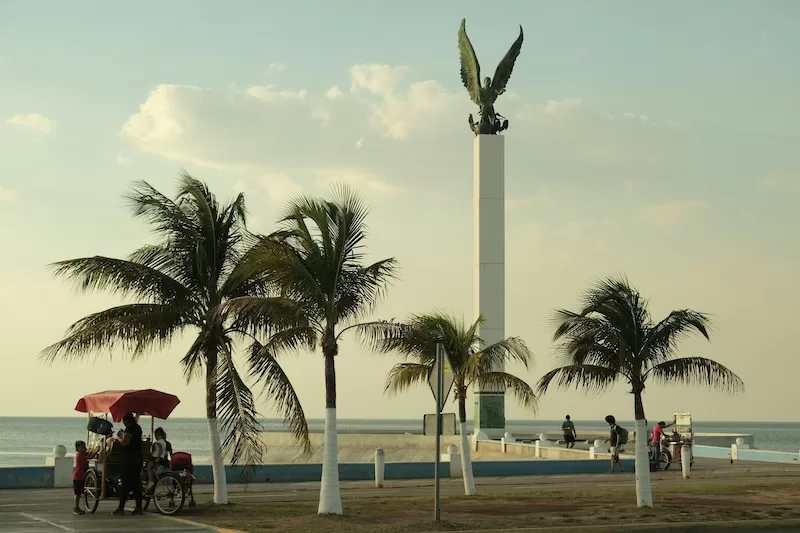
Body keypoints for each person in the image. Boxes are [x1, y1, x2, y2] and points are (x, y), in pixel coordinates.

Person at [114, 413, 143, 516]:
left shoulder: (130, 429)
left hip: (128, 460)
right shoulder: (138, 428)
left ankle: (121, 508)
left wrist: (119, 436)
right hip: (138, 459)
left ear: (126, 421)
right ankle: (139, 507)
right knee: (136, 484)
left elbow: (125, 442)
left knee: (125, 484)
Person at [146, 427, 169, 492]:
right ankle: (152, 481)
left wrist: (158, 458)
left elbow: (160, 450)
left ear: (157, 435)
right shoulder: (164, 442)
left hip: (155, 457)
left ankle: (150, 481)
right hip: (161, 458)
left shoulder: (159, 442)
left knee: (149, 467)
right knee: (154, 469)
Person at [72, 441, 90, 515]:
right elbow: (88, 457)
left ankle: (77, 507)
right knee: (77, 494)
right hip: (78, 477)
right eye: (82, 447)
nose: (84, 449)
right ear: (78, 449)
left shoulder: (82, 454)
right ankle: (75, 507)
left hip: (81, 477)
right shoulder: (79, 455)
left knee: (80, 493)